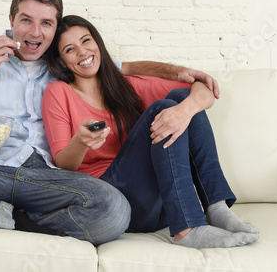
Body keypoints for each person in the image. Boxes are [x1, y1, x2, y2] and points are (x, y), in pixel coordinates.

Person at [0, 0, 221, 246]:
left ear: (55, 28)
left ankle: (14, 219)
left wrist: (177, 72)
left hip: (46, 178)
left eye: (46, 23)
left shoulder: (64, 62)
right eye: (26, 20)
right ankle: (7, 218)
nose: (35, 32)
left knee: (114, 210)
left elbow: (124, 67)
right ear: (11, 20)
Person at [41, 15, 260, 249]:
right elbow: (64, 164)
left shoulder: (124, 86)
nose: (83, 52)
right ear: (62, 61)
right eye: (70, 49)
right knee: (163, 108)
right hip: (115, 203)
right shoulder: (58, 92)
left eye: (86, 41)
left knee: (180, 100)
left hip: (162, 206)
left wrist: (185, 111)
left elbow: (201, 90)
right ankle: (187, 230)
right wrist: (81, 142)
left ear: (98, 43)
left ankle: (216, 207)